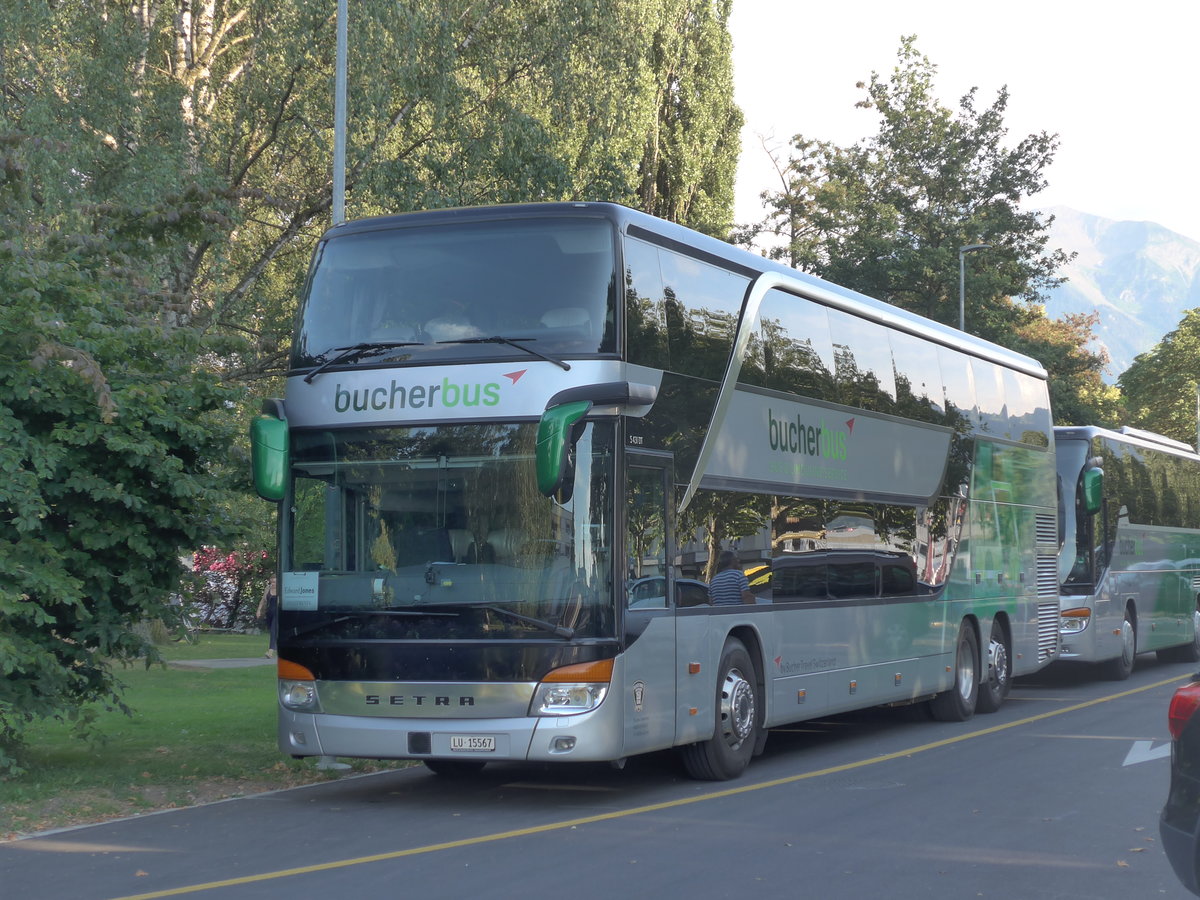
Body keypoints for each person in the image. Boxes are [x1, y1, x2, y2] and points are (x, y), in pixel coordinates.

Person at [257, 576, 278, 658]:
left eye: (274, 582)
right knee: (272, 630)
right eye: (271, 582)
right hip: (269, 612)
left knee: (273, 631)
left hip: (278, 613)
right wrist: (258, 610)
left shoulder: (281, 590)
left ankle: (270, 652)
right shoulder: (268, 589)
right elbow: (263, 600)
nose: (272, 584)